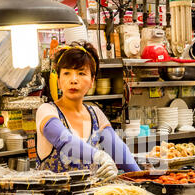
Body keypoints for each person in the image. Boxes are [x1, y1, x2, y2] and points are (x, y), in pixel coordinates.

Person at [36, 41, 140, 180]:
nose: (73, 80)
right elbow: (65, 141)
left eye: (81, 73)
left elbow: (120, 153)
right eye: (67, 73)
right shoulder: (47, 111)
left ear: (92, 80)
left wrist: (142, 180)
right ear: (59, 81)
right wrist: (100, 156)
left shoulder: (95, 114)